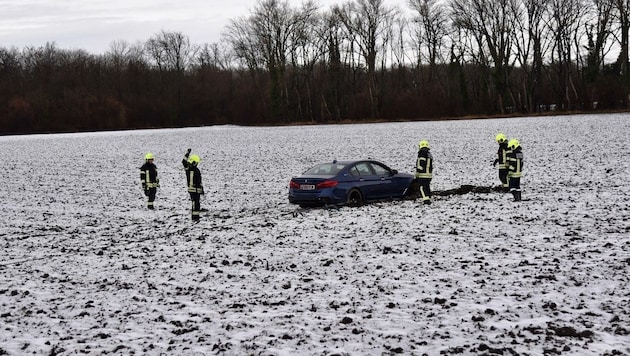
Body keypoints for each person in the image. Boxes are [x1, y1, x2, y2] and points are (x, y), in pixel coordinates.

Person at [182, 148, 204, 221]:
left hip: (197, 190)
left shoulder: (196, 170)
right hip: (192, 189)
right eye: (196, 162)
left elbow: (199, 181)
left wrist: (202, 189)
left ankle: (196, 217)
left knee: (197, 204)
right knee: (195, 203)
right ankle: (194, 218)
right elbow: (183, 161)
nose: (197, 164)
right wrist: (187, 153)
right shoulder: (189, 168)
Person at [415, 140, 433, 205]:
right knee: (427, 186)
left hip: (423, 174)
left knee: (421, 187)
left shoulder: (422, 153)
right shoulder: (429, 154)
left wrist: (417, 174)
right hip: (429, 174)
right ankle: (429, 197)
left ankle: (426, 200)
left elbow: (420, 164)